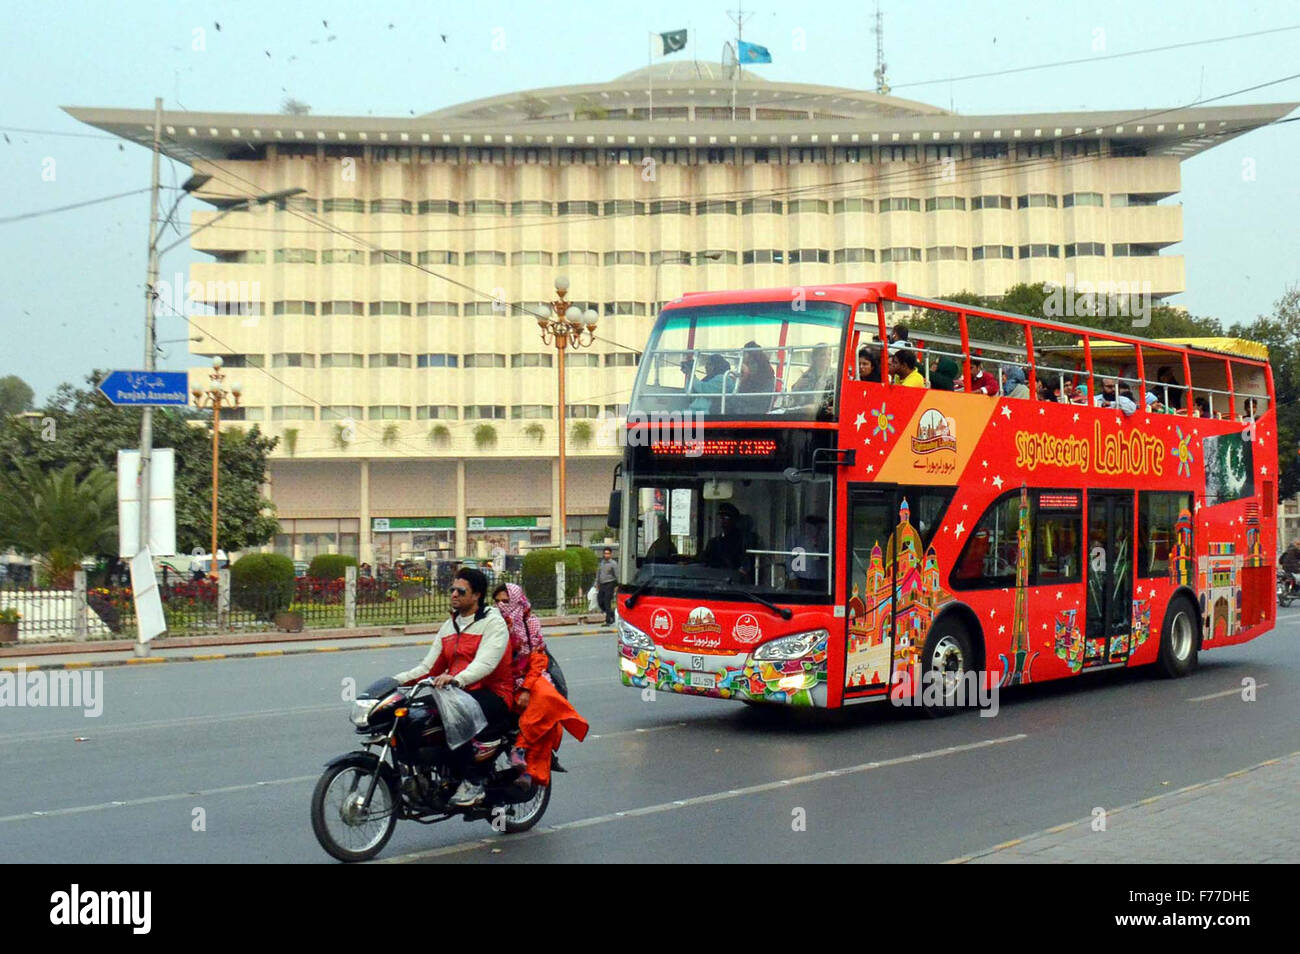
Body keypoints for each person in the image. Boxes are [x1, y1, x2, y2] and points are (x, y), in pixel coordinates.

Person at [392, 567, 513, 807]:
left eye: (461, 590)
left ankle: (473, 781)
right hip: (456, 693)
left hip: (493, 693)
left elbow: (486, 663)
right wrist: (393, 682)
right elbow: (428, 667)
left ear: (477, 594)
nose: (454, 595)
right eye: (452, 590)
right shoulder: (450, 626)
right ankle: (423, 776)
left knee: (457, 716)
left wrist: (457, 679)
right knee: (408, 715)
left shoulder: (493, 623)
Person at [492, 583, 588, 785]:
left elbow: (538, 656)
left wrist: (527, 686)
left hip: (530, 675)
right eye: (497, 601)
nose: (501, 606)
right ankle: (527, 768)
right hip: (503, 678)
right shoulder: (492, 624)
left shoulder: (530, 623)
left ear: (517, 601)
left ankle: (522, 753)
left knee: (547, 701)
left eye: (506, 601)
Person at [701, 502, 752, 577]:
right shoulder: (713, 542)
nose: (722, 520)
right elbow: (705, 560)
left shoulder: (743, 541)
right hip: (714, 578)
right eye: (721, 517)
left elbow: (745, 564)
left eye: (726, 517)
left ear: (734, 520)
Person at [732, 341, 776, 415]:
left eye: (750, 363)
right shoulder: (747, 378)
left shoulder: (768, 378)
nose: (747, 366)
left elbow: (761, 400)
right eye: (744, 363)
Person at [787, 514, 829, 591]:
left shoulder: (827, 531)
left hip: (821, 577)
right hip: (801, 576)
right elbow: (789, 554)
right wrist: (792, 576)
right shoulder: (796, 531)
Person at [788, 343, 834, 407]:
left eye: (829, 355)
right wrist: (797, 387)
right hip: (804, 410)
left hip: (824, 409)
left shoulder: (834, 375)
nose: (827, 358)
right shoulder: (806, 376)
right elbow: (794, 399)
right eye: (823, 355)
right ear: (814, 357)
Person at [596, 546, 618, 626]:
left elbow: (617, 575)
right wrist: (597, 584)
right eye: (605, 553)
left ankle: (608, 620)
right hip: (602, 584)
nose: (606, 555)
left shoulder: (613, 564)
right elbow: (598, 574)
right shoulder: (601, 563)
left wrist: (617, 586)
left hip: (610, 583)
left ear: (611, 554)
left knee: (607, 601)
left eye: (608, 553)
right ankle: (612, 614)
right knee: (600, 601)